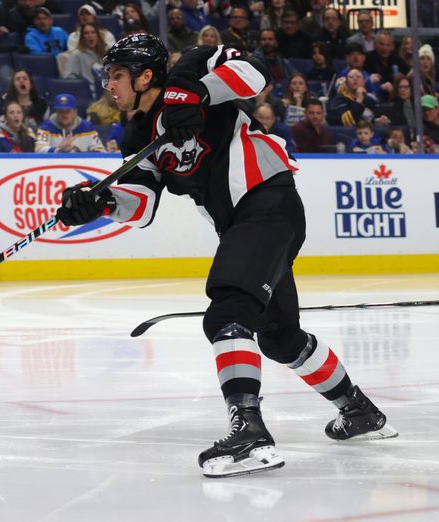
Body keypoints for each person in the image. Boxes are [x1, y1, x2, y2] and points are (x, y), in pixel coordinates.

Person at [58, 34, 397, 478]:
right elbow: (140, 205)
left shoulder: (193, 67)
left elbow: (258, 72)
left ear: (145, 75)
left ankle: (250, 433)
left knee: (227, 312)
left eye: (117, 75)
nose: (109, 85)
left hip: (268, 200)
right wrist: (98, 205)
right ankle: (359, 411)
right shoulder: (139, 132)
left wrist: (195, 94)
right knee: (279, 336)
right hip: (242, 224)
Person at [35, 93, 105, 153]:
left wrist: (88, 152)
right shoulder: (47, 127)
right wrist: (58, 150)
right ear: (56, 112)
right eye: (61, 111)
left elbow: (101, 150)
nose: (64, 114)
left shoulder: (87, 127)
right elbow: (38, 149)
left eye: (68, 111)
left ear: (75, 112)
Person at [62, 23, 107, 96]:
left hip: (105, 93)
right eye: (86, 33)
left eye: (93, 32)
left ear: (98, 36)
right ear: (82, 37)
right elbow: (69, 79)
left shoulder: (104, 55)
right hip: (86, 94)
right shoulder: (76, 55)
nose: (90, 35)